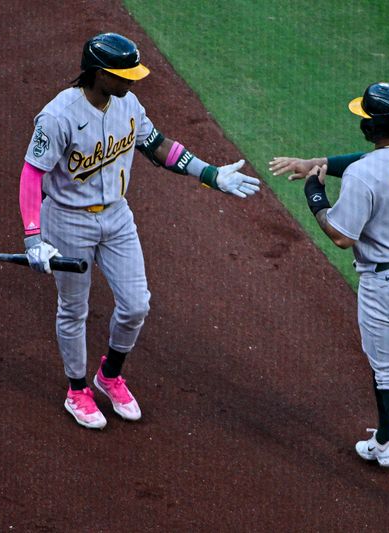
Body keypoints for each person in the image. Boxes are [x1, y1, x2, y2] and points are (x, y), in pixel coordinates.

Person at [19, 32, 260, 430]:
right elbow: (32, 173)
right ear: (98, 74)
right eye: (123, 73)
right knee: (73, 309)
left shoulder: (127, 103)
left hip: (116, 217)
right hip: (67, 220)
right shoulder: (58, 116)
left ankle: (109, 375)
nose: (132, 80)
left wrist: (212, 175)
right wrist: (34, 238)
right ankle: (77, 390)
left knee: (136, 305)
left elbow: (157, 145)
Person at [269, 82, 389, 516]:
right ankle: (385, 443)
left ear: (374, 124)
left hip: (388, 288)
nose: (360, 119)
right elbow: (374, 165)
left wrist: (314, 195)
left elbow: (340, 236)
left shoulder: (365, 176)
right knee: (385, 363)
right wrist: (320, 163)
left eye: (365, 115)